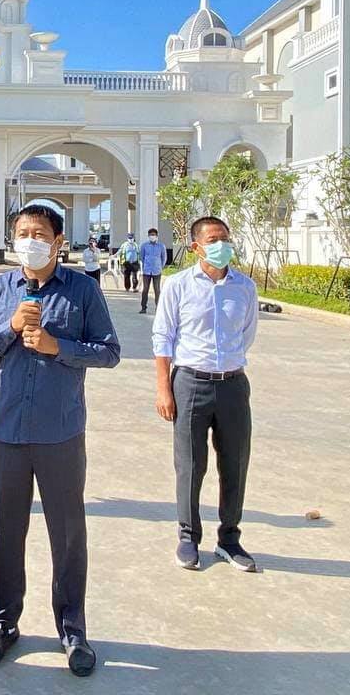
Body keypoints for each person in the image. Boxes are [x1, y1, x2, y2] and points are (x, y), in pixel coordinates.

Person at [0, 204, 121, 678]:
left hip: (60, 432)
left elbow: (110, 351)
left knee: (68, 533)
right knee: (5, 531)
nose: (30, 241)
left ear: (58, 242)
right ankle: (1, 624)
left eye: (39, 234)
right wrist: (10, 328)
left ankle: (72, 629)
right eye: (22, 232)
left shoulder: (83, 290)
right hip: (8, 431)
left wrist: (61, 348)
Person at [152, 215, 259, 573]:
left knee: (235, 462)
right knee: (190, 464)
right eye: (213, 240)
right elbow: (163, 337)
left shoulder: (244, 287)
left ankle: (229, 539)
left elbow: (246, 334)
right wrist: (164, 389)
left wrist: (226, 363)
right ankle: (188, 537)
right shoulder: (178, 285)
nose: (221, 245)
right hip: (190, 383)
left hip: (233, 385)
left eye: (225, 238)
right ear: (195, 247)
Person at [139, 228, 168, 314]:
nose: (152, 236)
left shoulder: (161, 246)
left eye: (154, 235)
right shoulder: (144, 246)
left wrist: (160, 267)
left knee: (157, 290)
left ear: (157, 236)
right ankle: (143, 307)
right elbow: (141, 257)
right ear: (148, 236)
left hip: (157, 271)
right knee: (145, 290)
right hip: (147, 271)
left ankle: (158, 308)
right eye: (151, 235)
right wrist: (145, 266)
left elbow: (164, 258)